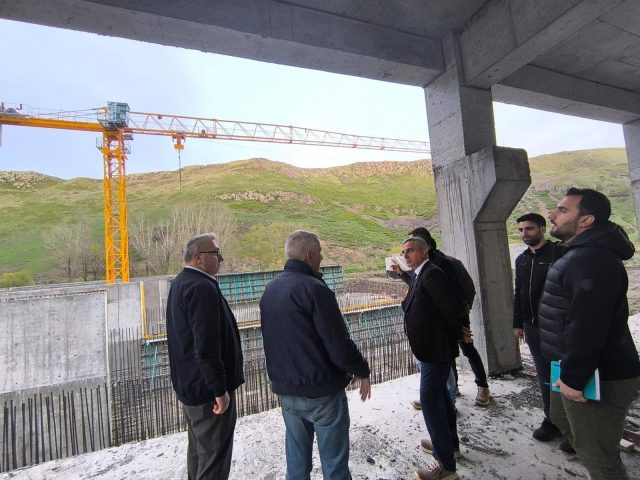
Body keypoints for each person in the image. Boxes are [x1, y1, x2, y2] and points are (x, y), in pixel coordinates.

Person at [538, 188, 640, 480]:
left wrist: (574, 377)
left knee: (599, 457)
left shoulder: (591, 259)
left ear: (586, 220)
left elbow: (589, 325)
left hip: (600, 373)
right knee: (561, 420)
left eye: (562, 210)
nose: (552, 215)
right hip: (570, 364)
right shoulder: (581, 253)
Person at [260, 230, 371, 479]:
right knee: (334, 464)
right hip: (321, 393)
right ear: (309, 255)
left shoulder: (271, 289)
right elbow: (337, 344)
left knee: (296, 464)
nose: (322, 258)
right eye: (319, 253)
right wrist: (361, 370)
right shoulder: (315, 289)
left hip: (287, 391)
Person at [166, 233, 245, 480]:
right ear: (198, 257)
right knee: (213, 461)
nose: (221, 258)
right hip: (208, 393)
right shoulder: (201, 288)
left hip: (192, 387)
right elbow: (207, 345)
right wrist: (219, 390)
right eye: (216, 253)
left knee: (199, 453)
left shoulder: (182, 282)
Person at [394, 227, 490, 408]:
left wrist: (460, 318)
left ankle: (482, 386)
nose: (406, 253)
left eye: (412, 247)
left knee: (467, 349)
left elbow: (462, 291)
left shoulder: (445, 264)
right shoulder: (422, 267)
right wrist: (402, 274)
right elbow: (419, 286)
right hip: (438, 320)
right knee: (445, 354)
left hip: (455, 315)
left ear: (426, 247)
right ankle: (449, 392)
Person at [401, 236, 461, 480]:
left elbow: (449, 309)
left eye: (410, 251)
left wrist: (458, 335)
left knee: (430, 401)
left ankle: (445, 466)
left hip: (436, 351)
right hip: (429, 350)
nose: (406, 255)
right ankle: (450, 445)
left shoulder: (432, 274)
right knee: (442, 397)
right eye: (404, 252)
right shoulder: (419, 274)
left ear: (424, 251)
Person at [512, 213, 566, 444]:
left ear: (543, 229)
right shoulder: (522, 260)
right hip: (532, 327)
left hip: (558, 326)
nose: (525, 234)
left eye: (529, 229)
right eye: (521, 230)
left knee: (565, 375)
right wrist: (517, 323)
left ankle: (572, 428)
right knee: (544, 376)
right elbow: (519, 293)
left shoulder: (559, 254)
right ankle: (552, 421)